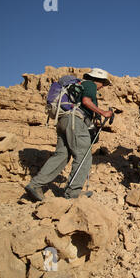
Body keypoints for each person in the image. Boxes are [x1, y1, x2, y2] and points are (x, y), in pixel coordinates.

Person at [25, 68, 114, 201]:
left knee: (62, 155)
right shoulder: (90, 84)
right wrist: (103, 112)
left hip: (64, 121)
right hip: (74, 122)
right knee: (84, 155)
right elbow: (86, 101)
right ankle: (72, 193)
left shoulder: (80, 85)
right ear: (98, 80)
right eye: (103, 83)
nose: (102, 87)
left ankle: (35, 185)